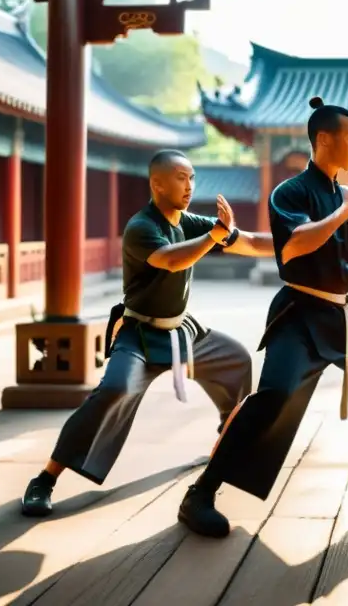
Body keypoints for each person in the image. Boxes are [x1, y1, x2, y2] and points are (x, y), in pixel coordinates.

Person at [178, 96, 348, 538]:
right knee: (273, 399)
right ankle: (201, 493)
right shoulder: (291, 192)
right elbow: (294, 245)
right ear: (323, 140)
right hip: (300, 315)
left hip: (342, 313)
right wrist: (344, 212)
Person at [20, 149, 274, 517]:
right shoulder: (141, 227)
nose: (189, 186)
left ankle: (228, 437)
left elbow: (247, 241)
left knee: (236, 360)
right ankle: (45, 478)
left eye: (192, 179)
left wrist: (295, 244)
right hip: (139, 333)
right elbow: (172, 260)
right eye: (181, 178)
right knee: (114, 389)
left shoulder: (191, 221)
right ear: (157, 183)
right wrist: (213, 237)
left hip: (181, 330)